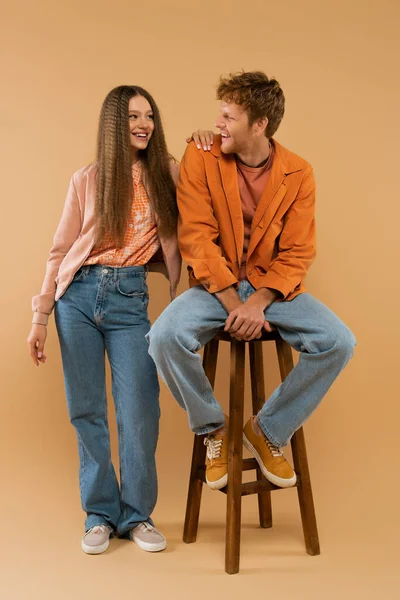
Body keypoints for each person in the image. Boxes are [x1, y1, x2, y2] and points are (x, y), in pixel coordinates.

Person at [147, 71, 356, 492]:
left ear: (259, 124)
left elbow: (297, 253)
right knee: (163, 337)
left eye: (229, 116)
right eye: (219, 114)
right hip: (214, 287)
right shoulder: (201, 155)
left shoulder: (299, 173)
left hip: (272, 290)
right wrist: (233, 303)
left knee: (340, 341)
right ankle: (213, 429)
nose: (219, 123)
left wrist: (258, 302)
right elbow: (196, 237)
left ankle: (268, 429)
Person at [26, 85, 213, 554]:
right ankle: (99, 515)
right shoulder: (87, 179)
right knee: (86, 410)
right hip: (77, 299)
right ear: (114, 123)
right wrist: (41, 317)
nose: (143, 124)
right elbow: (59, 251)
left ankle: (137, 515)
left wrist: (206, 140)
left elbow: (209, 184)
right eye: (132, 116)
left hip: (130, 299)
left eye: (148, 115)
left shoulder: (168, 172)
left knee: (139, 411)